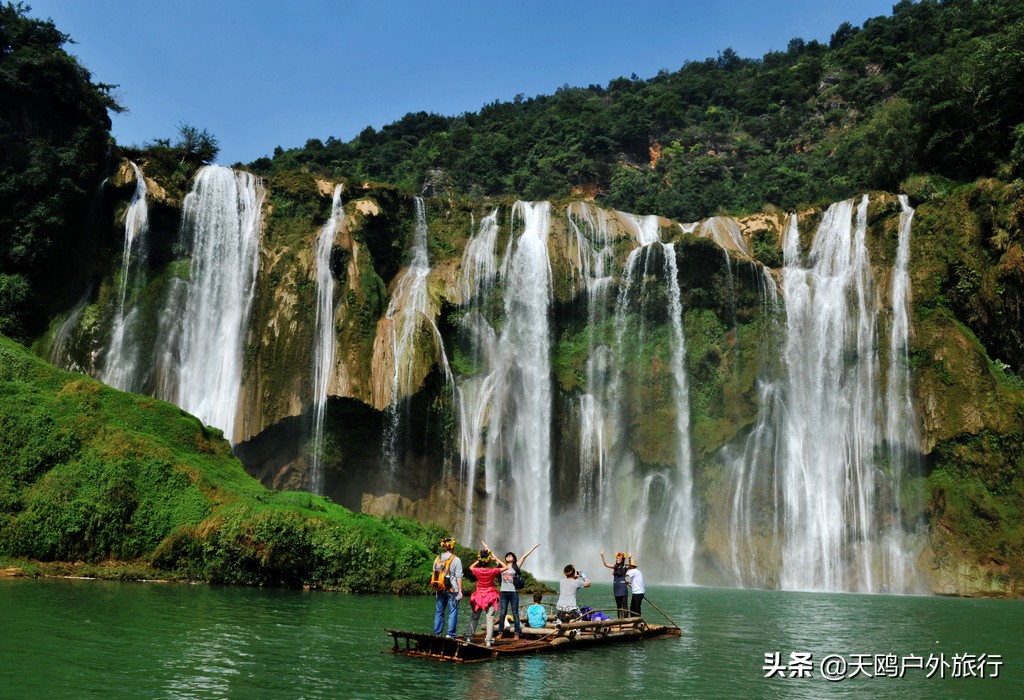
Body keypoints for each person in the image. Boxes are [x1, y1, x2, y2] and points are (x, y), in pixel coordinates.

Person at [464, 543, 508, 646]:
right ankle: (488, 641)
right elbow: (505, 567)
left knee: (475, 617)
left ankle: (469, 637)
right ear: (488, 561)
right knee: (490, 618)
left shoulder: (477, 570)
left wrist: (478, 560)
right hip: (491, 596)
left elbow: (470, 567)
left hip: (479, 596)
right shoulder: (492, 571)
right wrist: (495, 558)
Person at [496, 543, 540, 640]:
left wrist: (533, 548)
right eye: (507, 555)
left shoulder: (516, 567)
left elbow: (524, 556)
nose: (508, 556)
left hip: (513, 593)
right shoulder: (502, 566)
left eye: (511, 555)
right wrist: (487, 549)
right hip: (503, 592)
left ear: (514, 558)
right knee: (502, 613)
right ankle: (500, 632)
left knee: (515, 613)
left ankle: (517, 633)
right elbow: (495, 558)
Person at [432, 537, 463, 637]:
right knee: (452, 612)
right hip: (452, 589)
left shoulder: (437, 558)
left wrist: (436, 590)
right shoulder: (456, 559)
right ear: (452, 547)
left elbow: (435, 574)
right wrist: (460, 591)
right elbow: (459, 576)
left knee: (439, 612)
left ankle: (437, 633)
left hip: (440, 588)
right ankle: (450, 635)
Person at [600, 549, 630, 618]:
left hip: (623, 588)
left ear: (622, 559)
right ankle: (619, 620)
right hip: (616, 588)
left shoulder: (625, 567)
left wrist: (630, 558)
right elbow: (606, 564)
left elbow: (630, 566)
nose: (617, 559)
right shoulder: (615, 567)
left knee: (624, 605)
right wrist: (602, 555)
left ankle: (625, 621)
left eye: (619, 558)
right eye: (617, 558)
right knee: (618, 606)